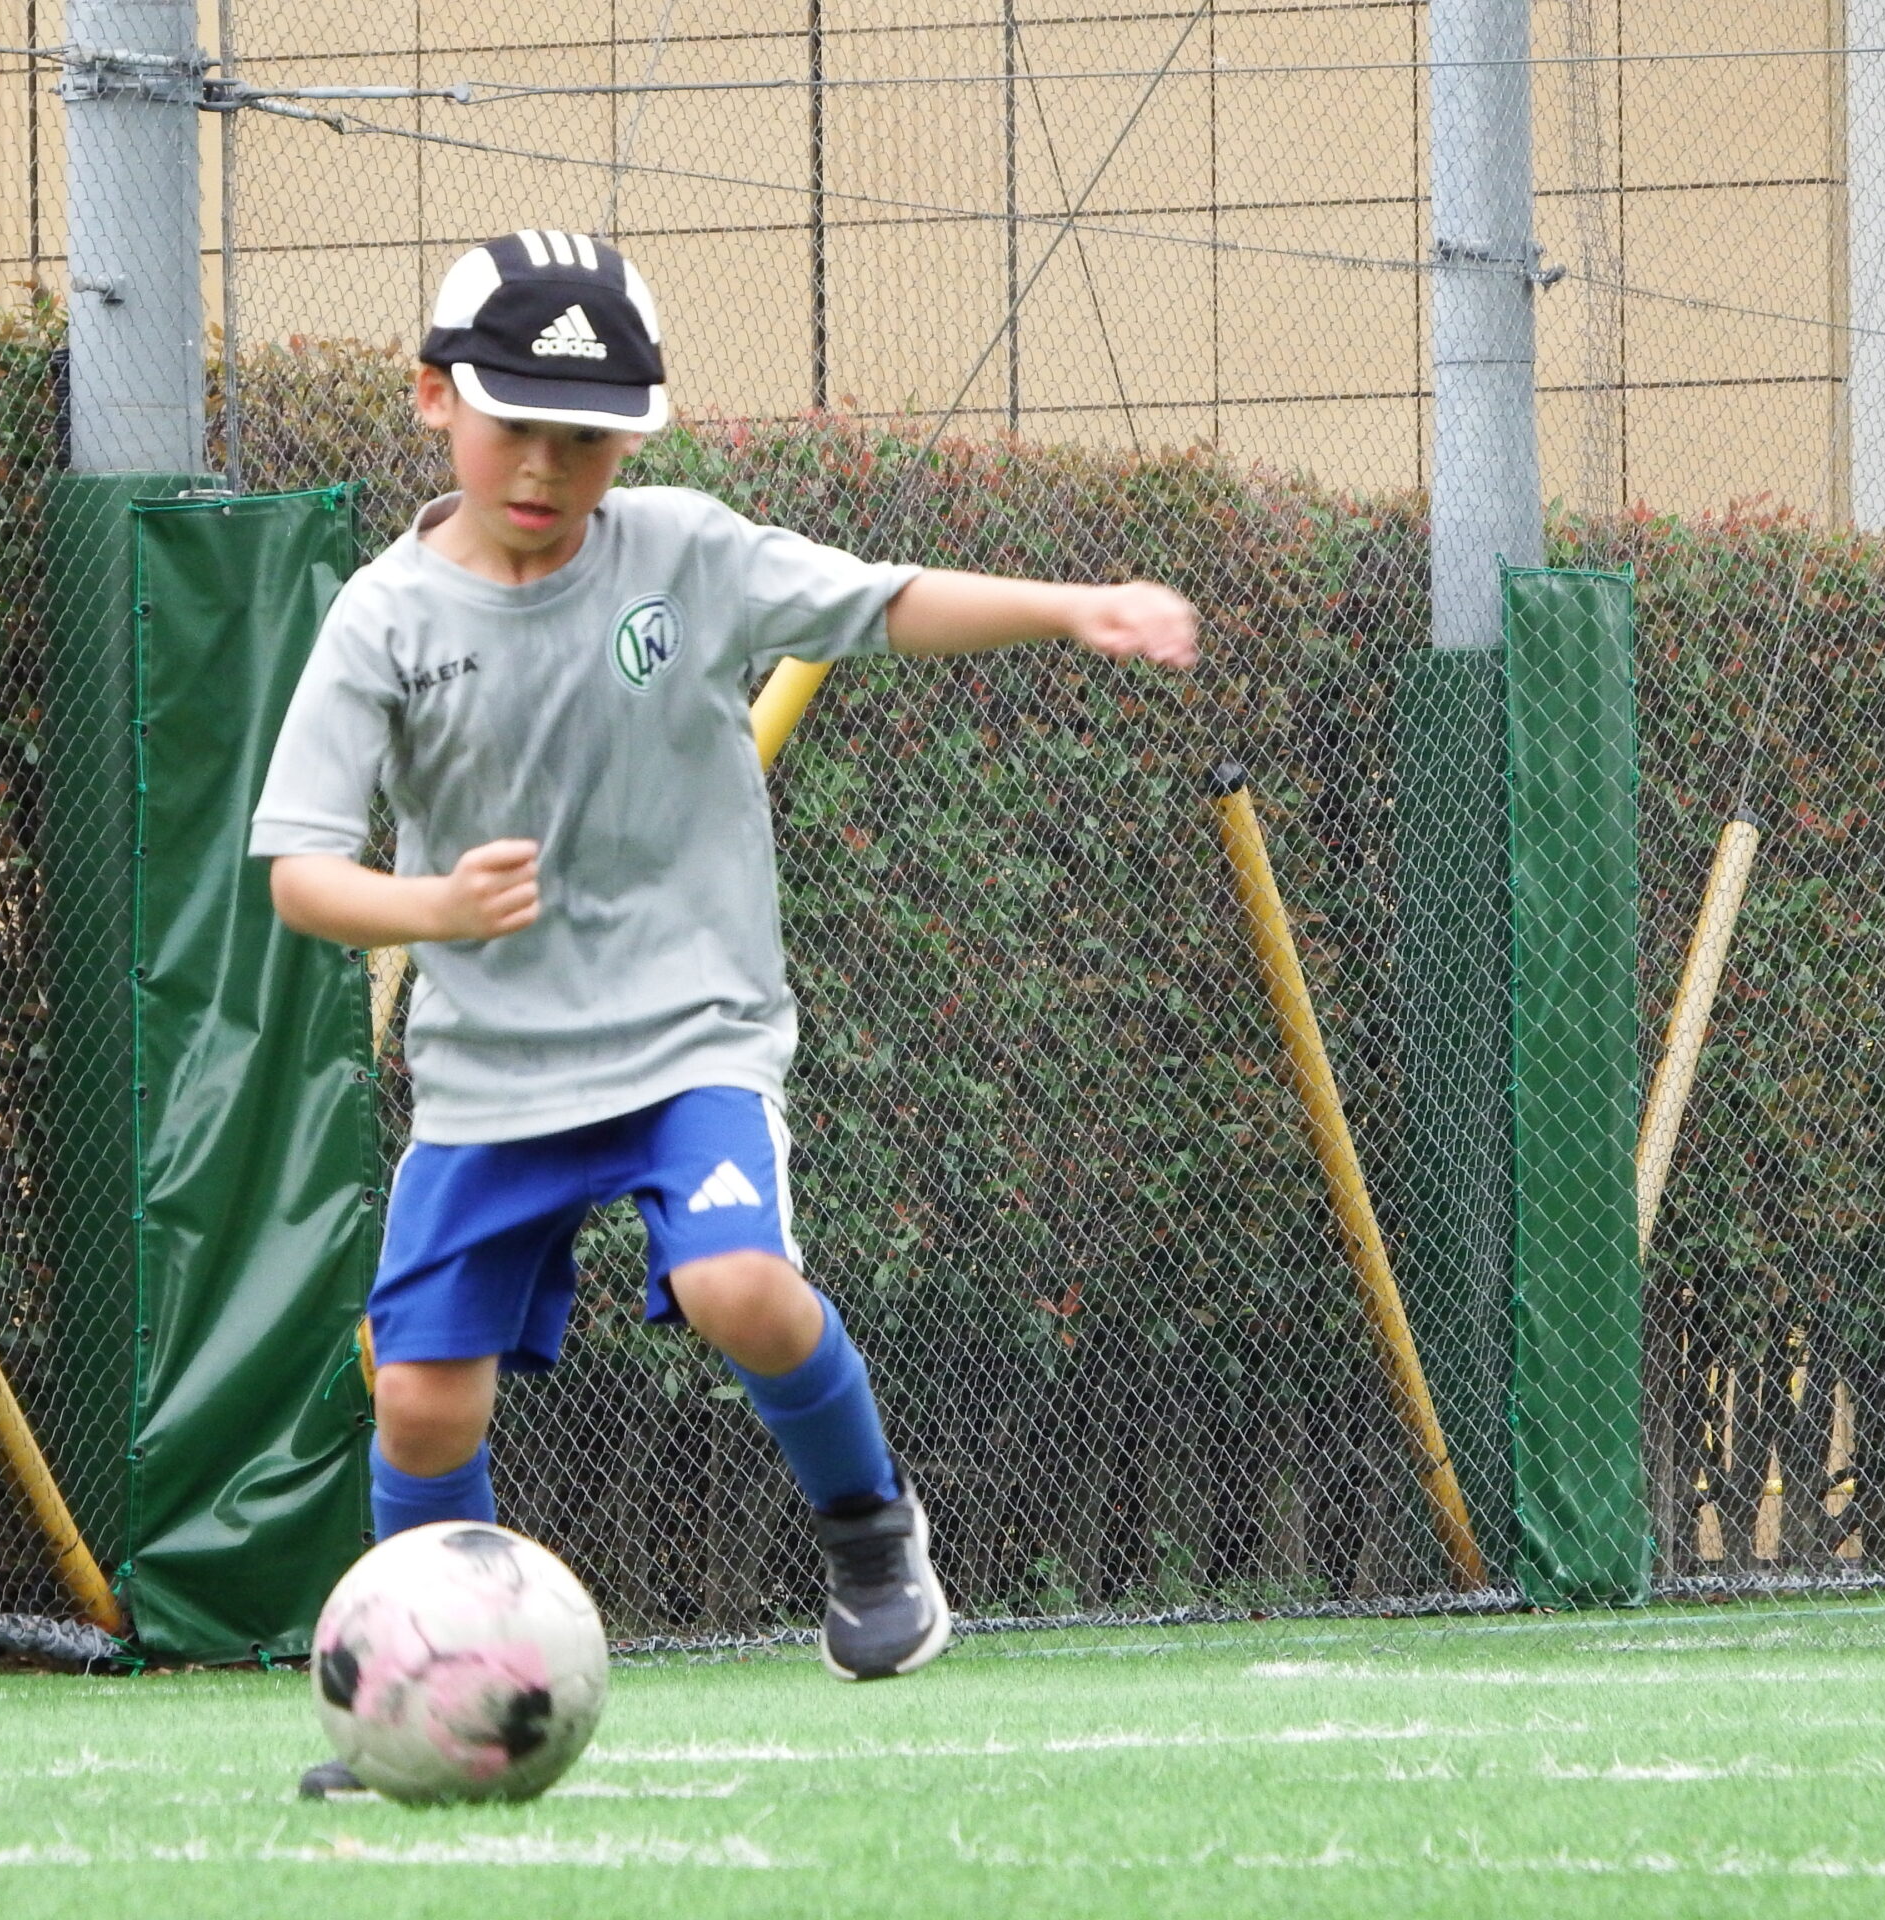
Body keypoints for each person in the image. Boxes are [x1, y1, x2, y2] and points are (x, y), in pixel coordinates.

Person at [251, 230, 1198, 1797]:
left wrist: (1071, 606)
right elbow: (299, 872)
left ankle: (872, 1537)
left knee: (738, 1285)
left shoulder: (685, 555)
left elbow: (883, 604)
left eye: (588, 439)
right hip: (491, 1082)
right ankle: (420, 1695)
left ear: (634, 439)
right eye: (516, 426)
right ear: (433, 399)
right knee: (419, 1401)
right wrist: (432, 911)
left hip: (693, 1037)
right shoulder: (382, 621)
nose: (548, 468)